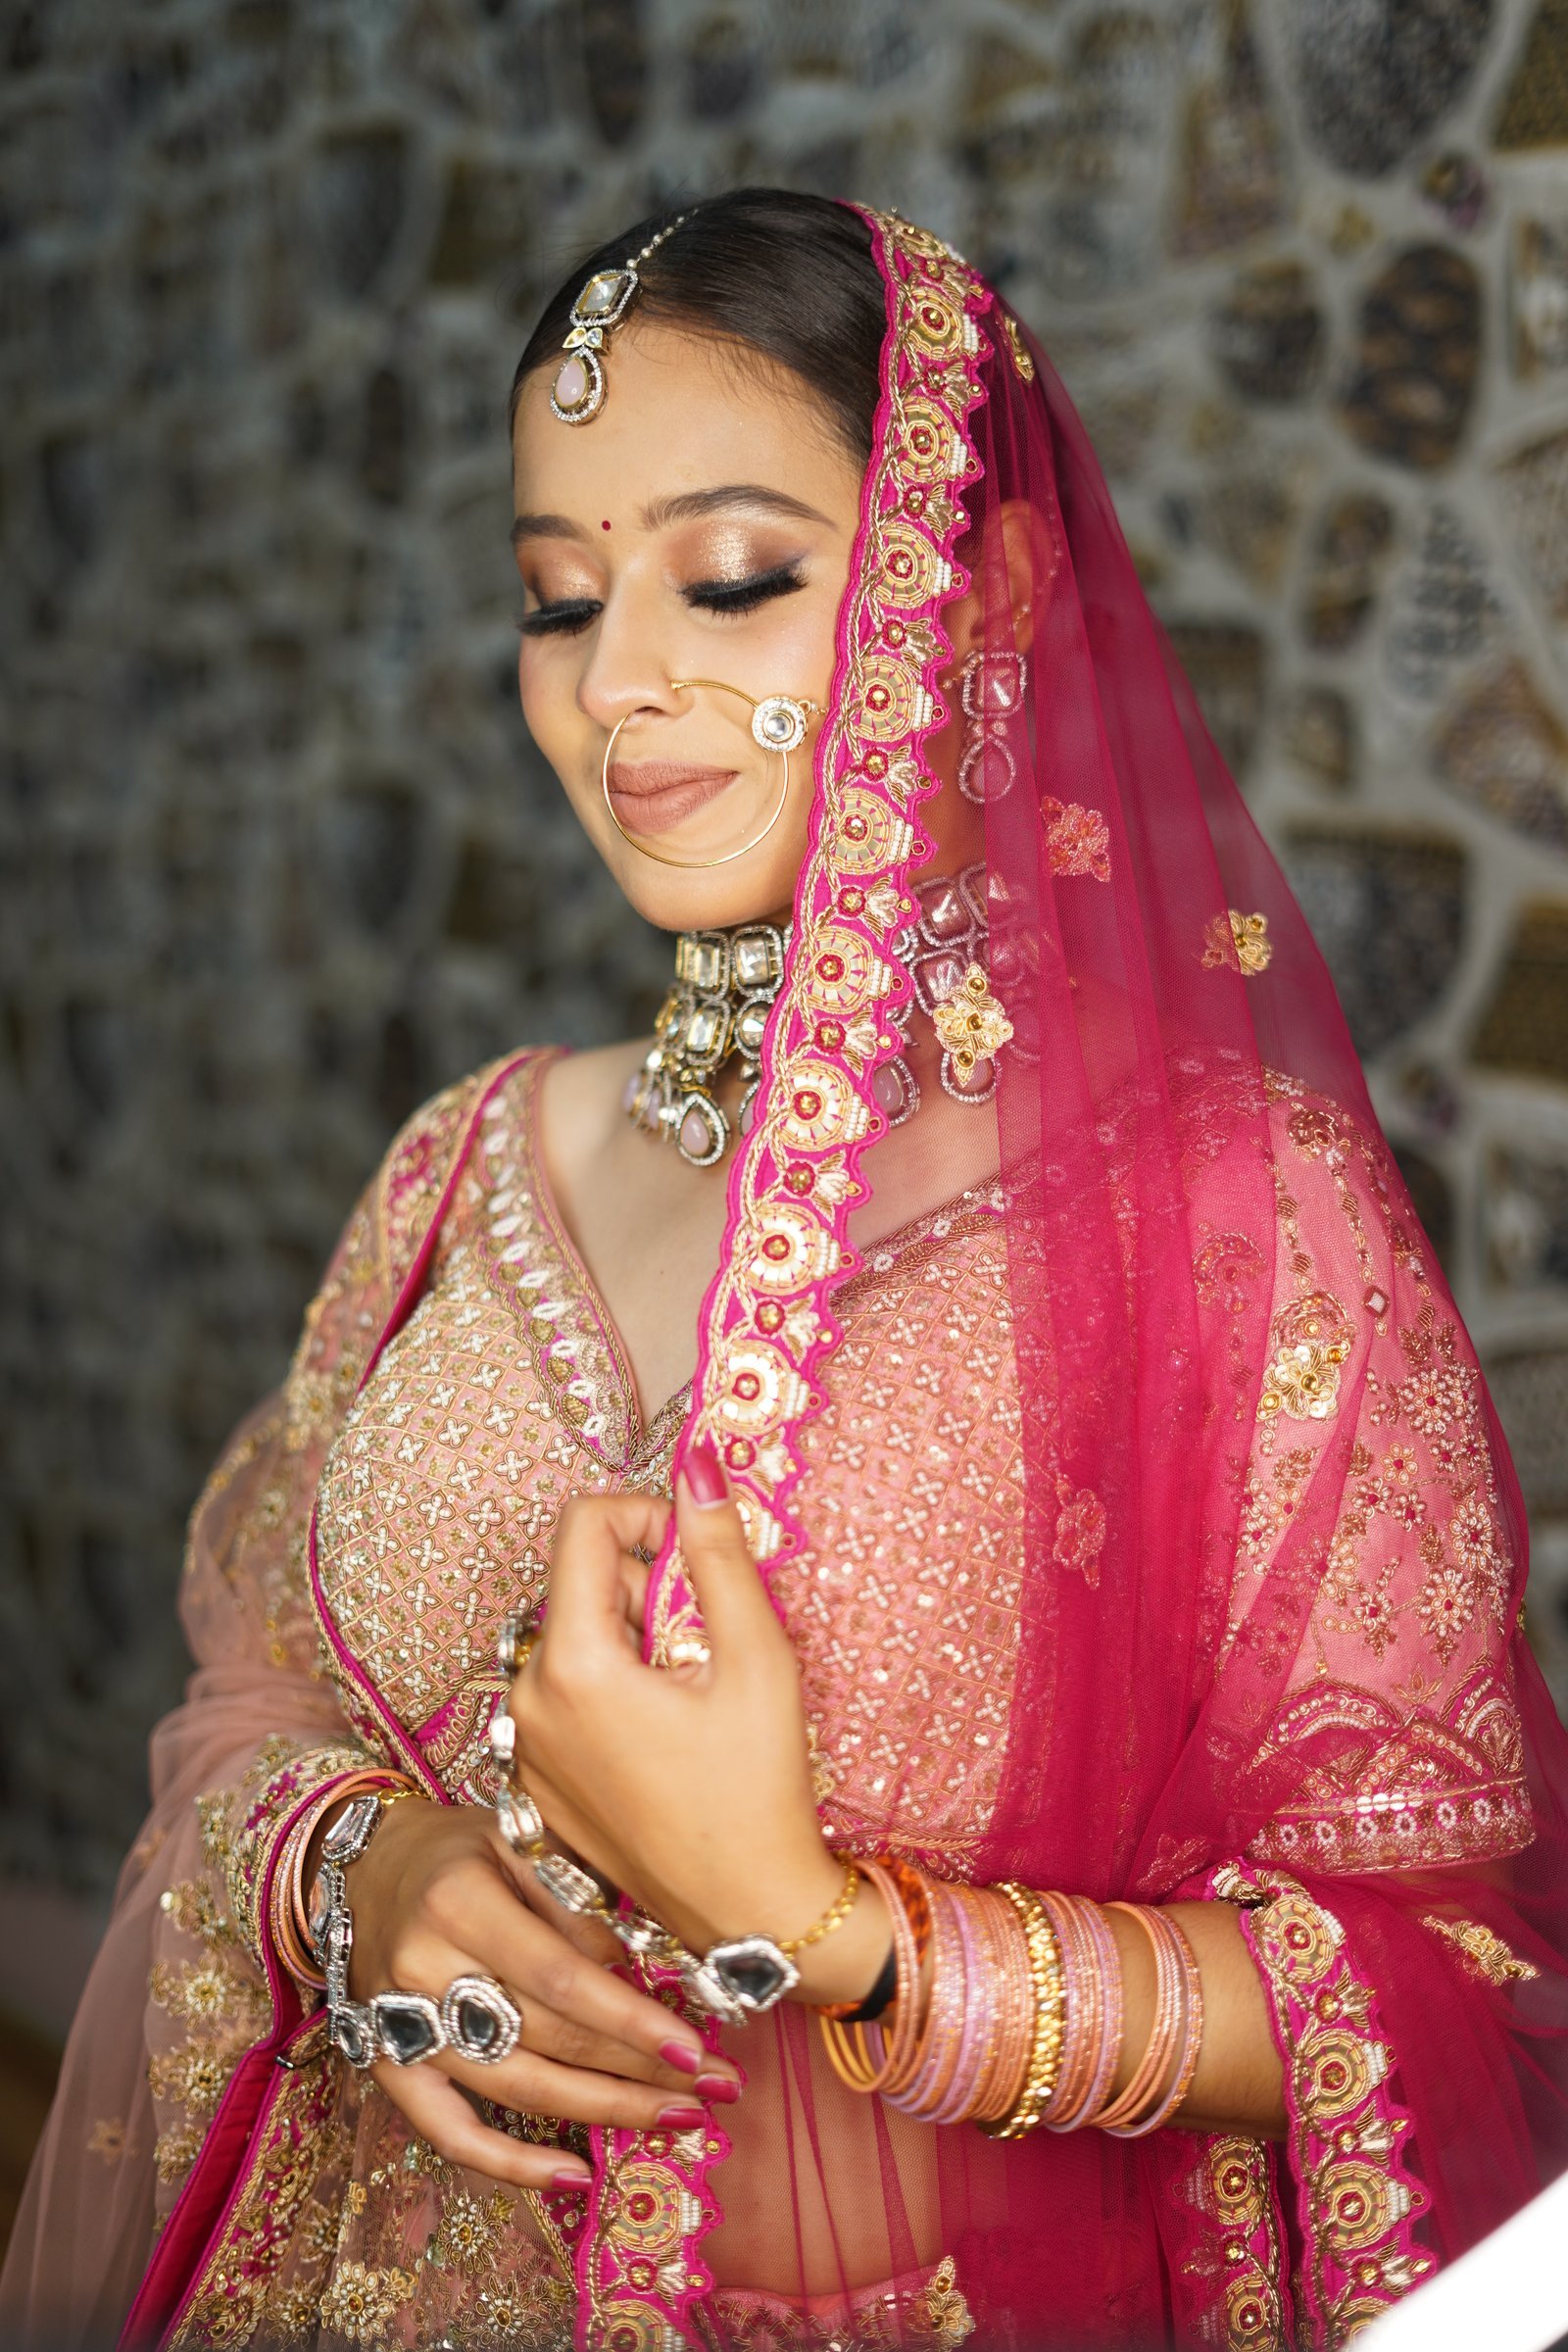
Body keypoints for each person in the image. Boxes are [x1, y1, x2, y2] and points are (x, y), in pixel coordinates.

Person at [5, 188, 1565, 2352]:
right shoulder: (473, 1159)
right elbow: (252, 1696)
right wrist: (358, 1873)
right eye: (558, 600)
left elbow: (1450, 1985)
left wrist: (819, 1930)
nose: (613, 681)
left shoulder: (1234, 1213)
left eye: (730, 575)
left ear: (972, 587)